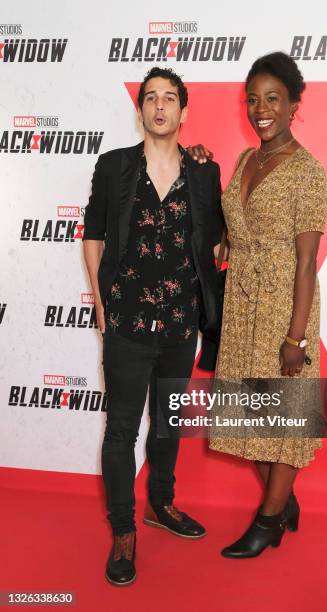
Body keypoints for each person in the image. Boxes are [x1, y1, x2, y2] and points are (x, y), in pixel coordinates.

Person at [83, 66, 223, 585]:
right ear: (140, 110)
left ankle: (160, 505)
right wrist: (101, 303)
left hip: (181, 325)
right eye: (150, 98)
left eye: (170, 99)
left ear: (184, 112)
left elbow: (217, 240)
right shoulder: (115, 166)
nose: (160, 106)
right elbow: (93, 235)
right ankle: (124, 529)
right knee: (121, 430)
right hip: (126, 322)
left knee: (167, 425)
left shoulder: (205, 172)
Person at [207, 52, 327, 558]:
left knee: (283, 419)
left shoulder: (309, 172)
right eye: (253, 100)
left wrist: (295, 337)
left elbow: (305, 264)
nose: (261, 109)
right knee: (248, 416)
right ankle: (285, 501)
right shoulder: (243, 162)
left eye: (272, 99)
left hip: (285, 307)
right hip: (241, 307)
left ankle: (269, 519)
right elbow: (234, 228)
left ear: (294, 104)